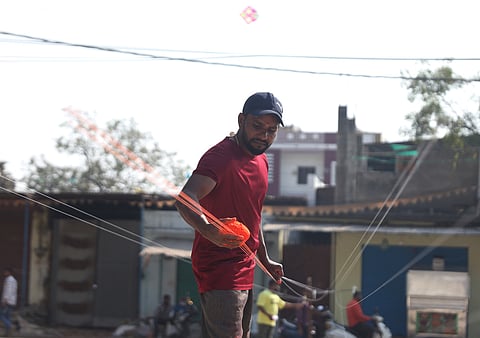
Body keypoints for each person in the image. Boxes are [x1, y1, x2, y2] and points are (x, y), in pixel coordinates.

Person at [175, 92, 286, 338]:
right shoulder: (221, 157)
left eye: (271, 130)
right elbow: (185, 199)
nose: (264, 136)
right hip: (218, 266)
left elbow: (253, 218)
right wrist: (207, 229)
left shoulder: (262, 162)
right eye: (257, 127)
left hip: (245, 266)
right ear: (241, 120)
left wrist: (264, 259)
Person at [0, 267, 18, 337]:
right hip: (11, 301)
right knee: (8, 317)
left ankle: (10, 327)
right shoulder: (13, 280)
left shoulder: (9, 280)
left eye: (5, 272)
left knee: (1, 315)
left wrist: (5, 300)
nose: (4, 273)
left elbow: (9, 291)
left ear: (9, 272)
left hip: (7, 302)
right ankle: (8, 333)